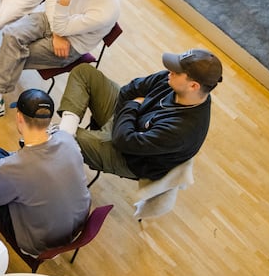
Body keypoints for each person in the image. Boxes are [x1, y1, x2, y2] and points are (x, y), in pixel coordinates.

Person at [0, 89, 91, 257]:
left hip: (36, 241)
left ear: (19, 117)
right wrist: (4, 156)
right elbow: (25, 163)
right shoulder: (67, 139)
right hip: (74, 227)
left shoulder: (14, 168)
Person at [57, 50, 223, 180]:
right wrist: (124, 120)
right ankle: (68, 133)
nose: (169, 71)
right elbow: (129, 90)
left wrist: (134, 105)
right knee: (84, 72)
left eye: (177, 72)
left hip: (128, 157)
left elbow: (124, 142)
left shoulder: (182, 130)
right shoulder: (169, 80)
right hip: (126, 126)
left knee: (53, 135)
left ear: (193, 86)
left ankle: (64, 138)